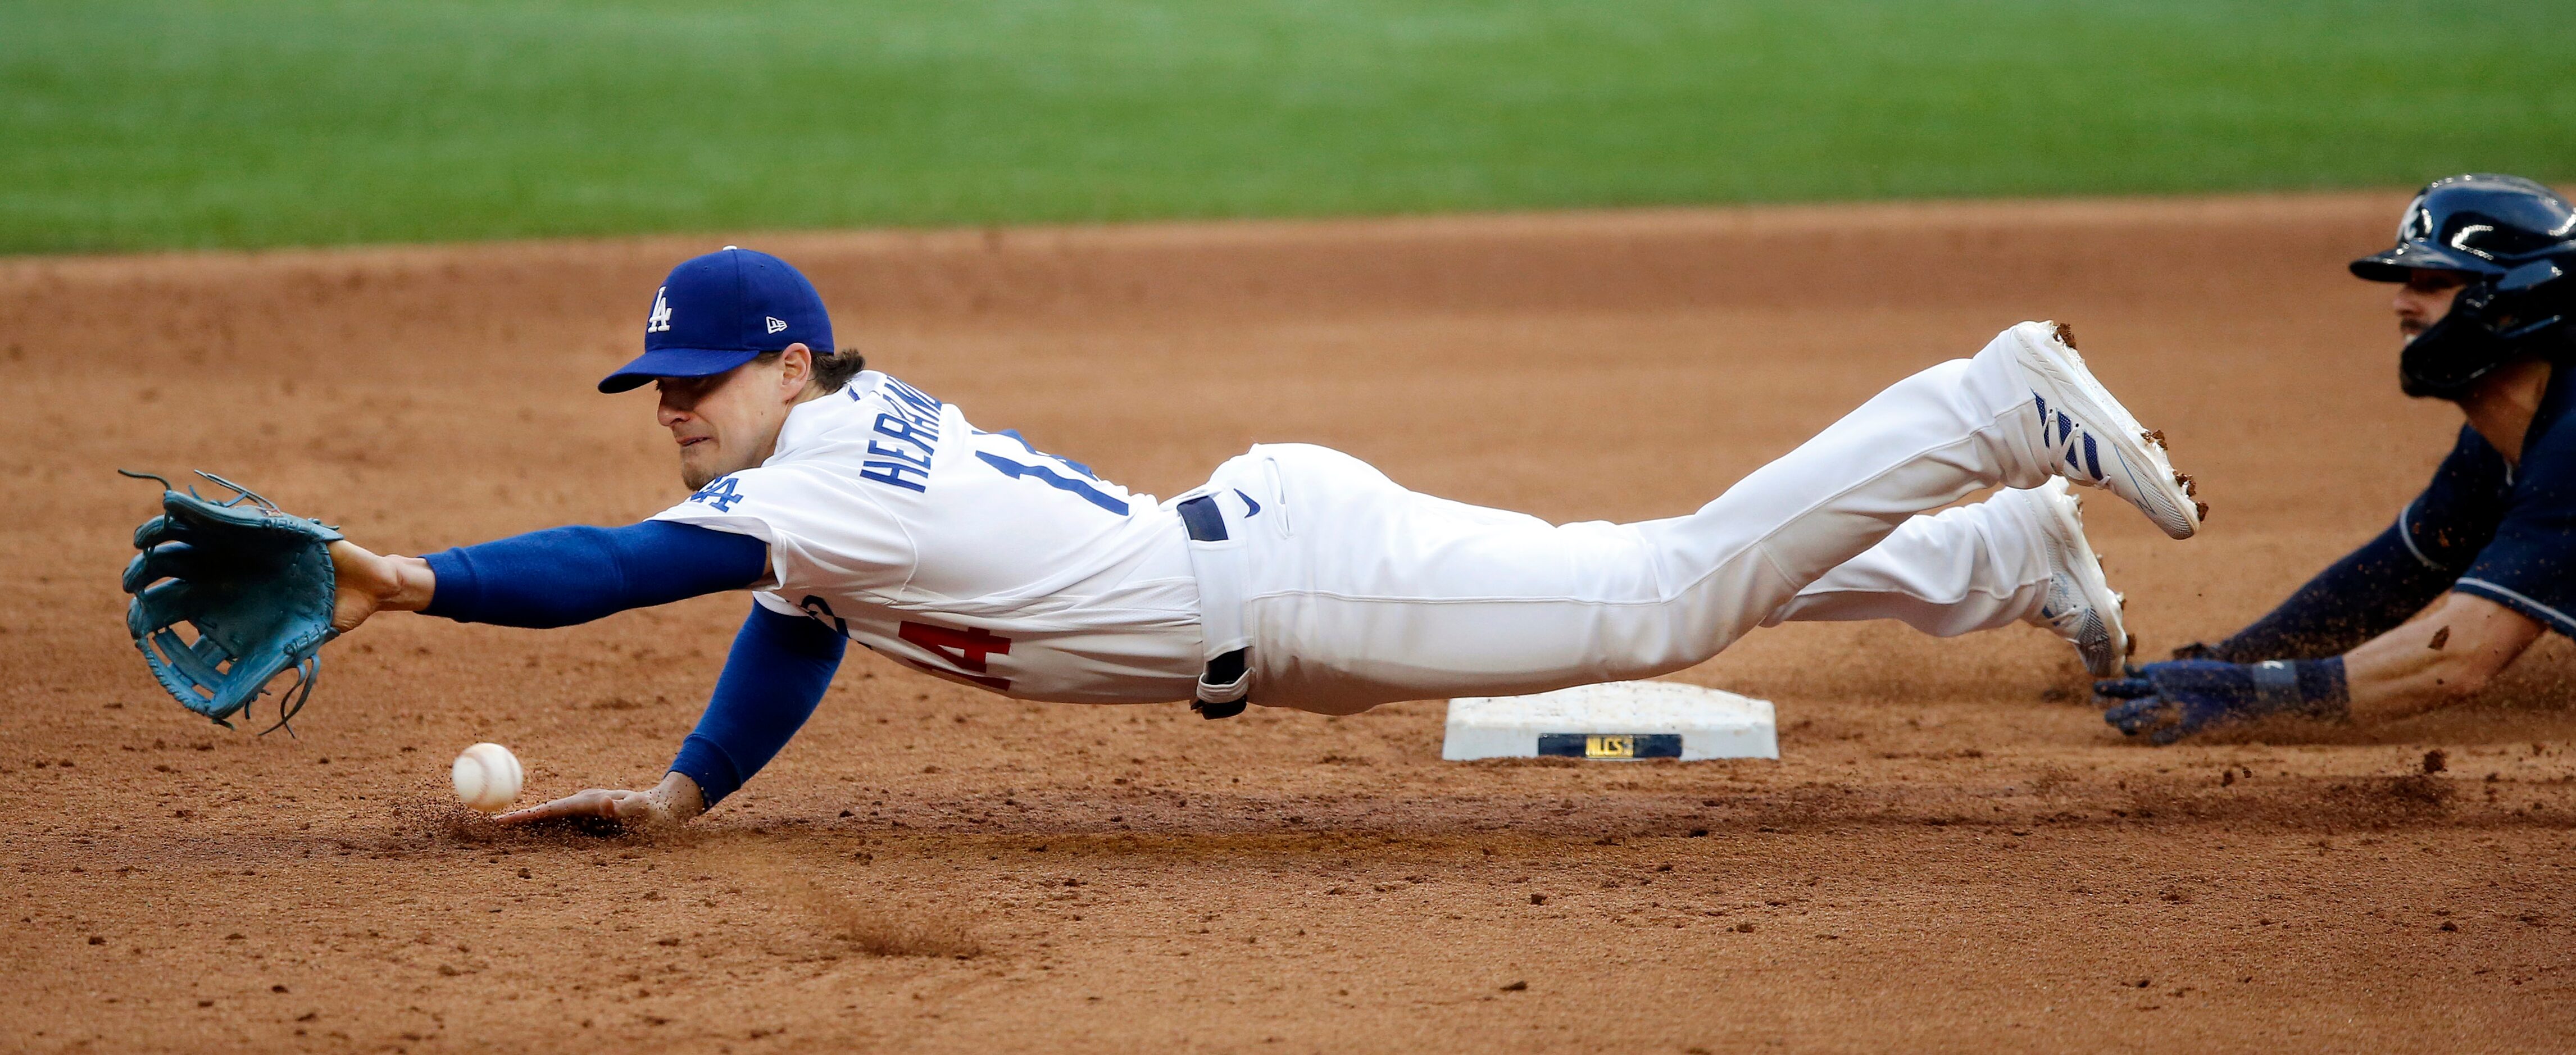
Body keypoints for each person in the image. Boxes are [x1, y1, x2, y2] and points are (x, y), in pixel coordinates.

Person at [318, 247, 2198, 826]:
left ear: (786, 362)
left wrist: (418, 578)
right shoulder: (816, 472)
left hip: (1291, 582)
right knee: (1631, 562)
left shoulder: (800, 467)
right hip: (1282, 568)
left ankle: (1986, 397)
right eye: (656, 382)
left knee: (1662, 592)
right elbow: (797, 616)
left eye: (699, 376)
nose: (672, 404)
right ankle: (2001, 550)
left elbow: (637, 563)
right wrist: (683, 789)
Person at [2102, 174, 2576, 743]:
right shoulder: (2505, 442)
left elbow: (2458, 657)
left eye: (2434, 283)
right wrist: (2230, 661)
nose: (2401, 302)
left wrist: (2252, 694)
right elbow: (2390, 578)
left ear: (2518, 301)